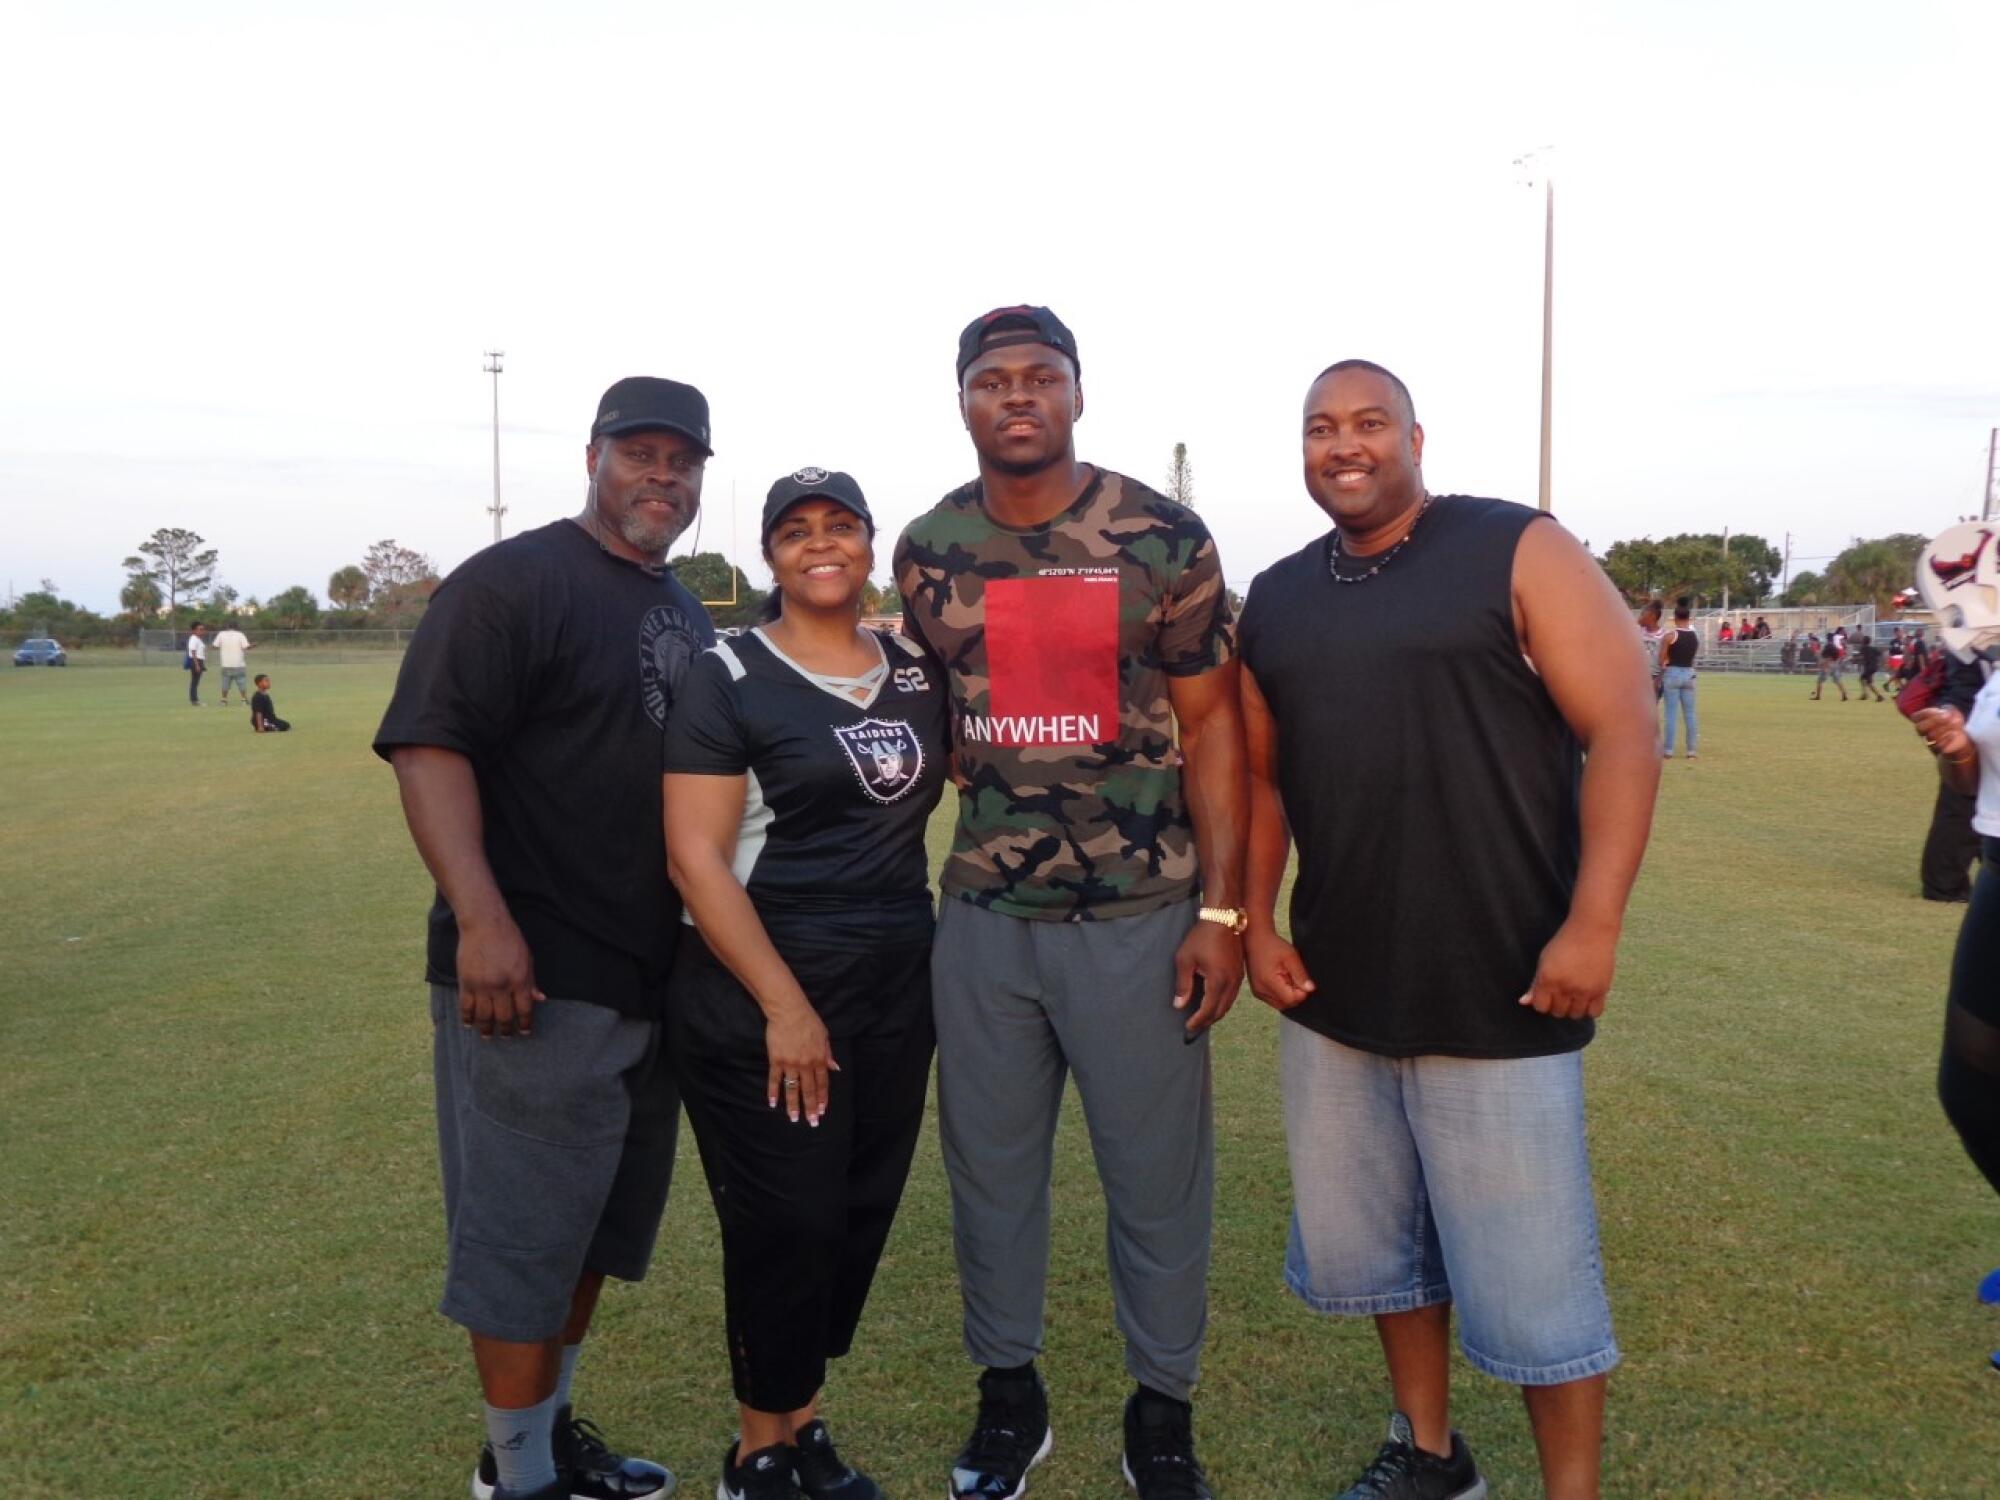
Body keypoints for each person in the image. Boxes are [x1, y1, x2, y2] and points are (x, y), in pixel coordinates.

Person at [1239, 360, 1659, 1500]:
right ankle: (1428, 1454)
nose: (1343, 445)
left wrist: (1591, 925)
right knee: (1376, 1258)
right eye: (1319, 427)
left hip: (1502, 983)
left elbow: (1623, 728)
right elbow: (1266, 783)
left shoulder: (1513, 546)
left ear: (1413, 436)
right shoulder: (1275, 597)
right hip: (1336, 990)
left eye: (1367, 422)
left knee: (1532, 1287)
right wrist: (1251, 920)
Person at [894, 305, 1246, 1500]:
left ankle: (1161, 1410)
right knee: (989, 1175)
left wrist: (1224, 914)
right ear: (964, 402)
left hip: (1141, 918)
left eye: (1041, 375)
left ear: (1078, 394)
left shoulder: (1159, 534)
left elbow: (1215, 730)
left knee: (1156, 1179)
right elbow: (928, 724)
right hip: (986, 921)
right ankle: (1009, 1398)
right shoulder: (928, 544)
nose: (1016, 395)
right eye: (991, 380)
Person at [374, 376, 716, 1500]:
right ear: (592, 456)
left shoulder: (682, 609)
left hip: (642, 978)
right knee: (525, 1246)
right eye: (640, 453)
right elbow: (429, 745)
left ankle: (538, 1438)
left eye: (681, 460)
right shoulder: (512, 583)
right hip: (530, 978)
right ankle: (515, 1482)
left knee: (587, 1238)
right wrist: (481, 921)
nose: (659, 477)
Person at [664, 469, 949, 1500]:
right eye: (795, 531)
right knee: (786, 1219)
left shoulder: (915, 666)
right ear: (768, 553)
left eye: (839, 527)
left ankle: (805, 1420)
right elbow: (695, 859)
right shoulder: (728, 671)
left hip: (892, 979)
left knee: (856, 1208)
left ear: (869, 544)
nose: (819, 544)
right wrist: (785, 1007)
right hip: (762, 983)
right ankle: (759, 1452)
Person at [1911, 659, 2000, 1197]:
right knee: (1968, 1084)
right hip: (1995, 868)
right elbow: (1968, 784)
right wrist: (1955, 746)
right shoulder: (1990, 657)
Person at [1660, 603, 1700, 759]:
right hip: (1689, 673)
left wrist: (1664, 662)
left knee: (1671, 714)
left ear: (1675, 618)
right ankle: (1691, 750)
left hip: (1673, 673)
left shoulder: (1670, 636)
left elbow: (1661, 657)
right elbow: (1693, 657)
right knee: (1690, 714)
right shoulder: (1694, 636)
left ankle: (1668, 750)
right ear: (1689, 618)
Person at [213, 619, 255, 705]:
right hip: (238, 664)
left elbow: (215, 645)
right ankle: (243, 699)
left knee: (225, 683)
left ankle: (224, 700)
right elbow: (246, 647)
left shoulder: (221, 634)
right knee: (241, 682)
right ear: (236, 627)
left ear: (227, 627)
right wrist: (253, 645)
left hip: (226, 664)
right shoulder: (240, 635)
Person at [1636, 601, 1665, 709]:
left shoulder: (1664, 635)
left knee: (1650, 711)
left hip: (1654, 678)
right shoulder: (1636, 631)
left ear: (1652, 616)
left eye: (1643, 614)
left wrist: (1658, 680)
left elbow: (1665, 661)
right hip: (1639, 677)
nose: (1640, 617)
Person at [1812, 633, 1849, 701]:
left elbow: (1827, 657)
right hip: (1835, 664)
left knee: (1819, 681)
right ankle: (1844, 695)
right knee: (1838, 680)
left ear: (1827, 638)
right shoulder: (1835, 647)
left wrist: (1824, 665)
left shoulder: (1827, 646)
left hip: (1828, 665)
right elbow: (1837, 657)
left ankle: (1818, 696)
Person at [1856, 633, 1886, 702]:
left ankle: (1878, 696)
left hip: (1869, 667)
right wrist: (1882, 663)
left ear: (1863, 642)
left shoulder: (1863, 648)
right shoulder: (1873, 648)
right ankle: (1866, 694)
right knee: (1865, 680)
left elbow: (1860, 657)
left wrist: (1855, 659)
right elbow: (1881, 654)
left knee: (1865, 681)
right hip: (1874, 666)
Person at [185, 621, 207, 706]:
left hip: (199, 660)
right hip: (196, 661)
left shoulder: (198, 639)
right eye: (200, 629)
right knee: (194, 681)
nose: (202, 631)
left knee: (195, 682)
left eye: (202, 629)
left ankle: (194, 699)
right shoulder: (194, 639)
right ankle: (194, 700)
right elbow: (193, 651)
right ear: (194, 630)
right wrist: (197, 664)